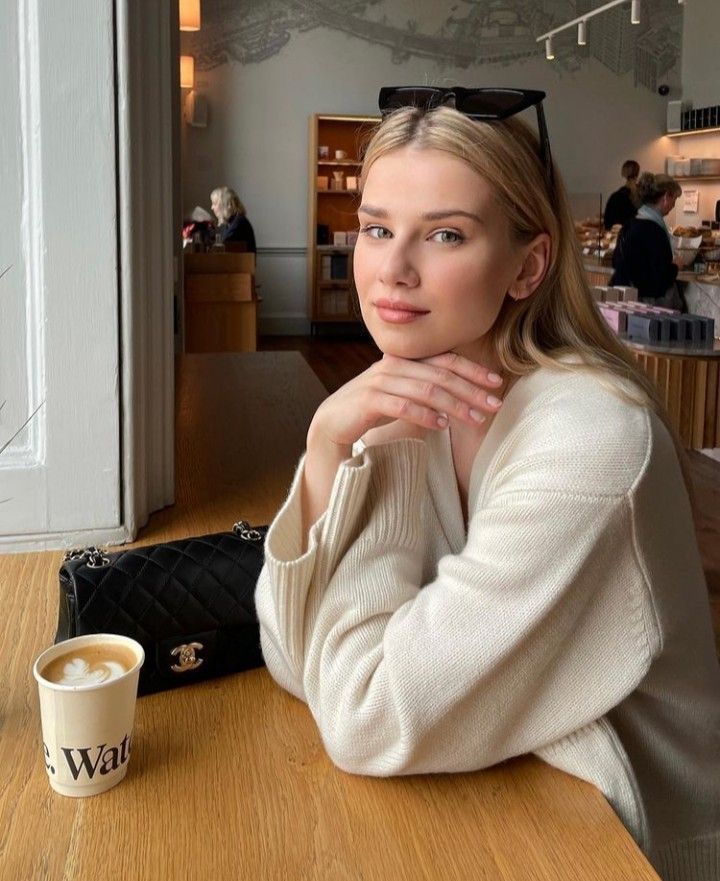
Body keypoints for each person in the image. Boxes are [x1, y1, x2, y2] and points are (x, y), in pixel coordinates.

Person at [255, 87, 720, 881]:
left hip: (625, 842)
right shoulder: (425, 388)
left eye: (444, 233)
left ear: (528, 264)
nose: (392, 270)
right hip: (507, 795)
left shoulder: (588, 438)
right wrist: (327, 447)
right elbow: (291, 654)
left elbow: (364, 714)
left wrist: (390, 457)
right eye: (375, 228)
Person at [611, 172, 683, 305]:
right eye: (675, 199)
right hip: (643, 305)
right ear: (666, 197)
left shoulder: (630, 224)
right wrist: (675, 266)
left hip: (622, 301)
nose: (674, 205)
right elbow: (658, 280)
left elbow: (616, 262)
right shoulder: (654, 231)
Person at [209, 186, 257, 252]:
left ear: (225, 205)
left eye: (214, 203)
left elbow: (223, 244)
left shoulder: (239, 222)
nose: (212, 207)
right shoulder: (230, 223)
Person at [603, 159, 640, 230]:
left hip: (621, 235)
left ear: (624, 173)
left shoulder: (616, 197)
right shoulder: (643, 195)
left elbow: (608, 222)